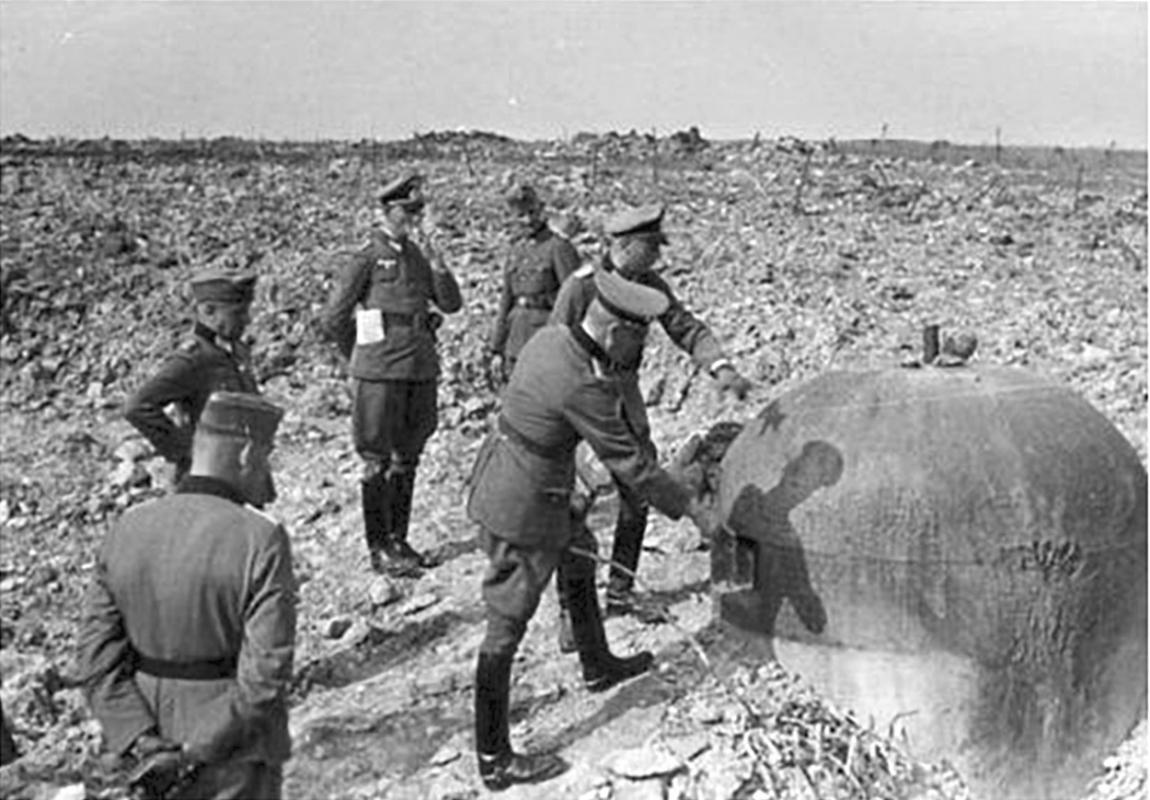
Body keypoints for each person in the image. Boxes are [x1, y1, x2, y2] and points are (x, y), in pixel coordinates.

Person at [466, 269, 716, 791]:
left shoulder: (553, 339)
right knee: (506, 623)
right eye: (636, 337)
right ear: (614, 332)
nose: (637, 349)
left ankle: (597, 663)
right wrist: (692, 507)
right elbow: (632, 466)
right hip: (522, 502)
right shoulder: (582, 380)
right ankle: (493, 757)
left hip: (533, 479)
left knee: (579, 552)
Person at [77, 391, 295, 800]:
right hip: (232, 760)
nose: (268, 472)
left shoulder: (128, 526)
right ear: (246, 454)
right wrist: (195, 751)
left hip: (137, 754)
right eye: (266, 456)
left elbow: (94, 660)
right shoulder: (261, 539)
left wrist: (140, 740)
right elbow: (264, 677)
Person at [549, 203, 753, 619]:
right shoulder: (582, 286)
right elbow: (553, 351)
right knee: (575, 507)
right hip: (584, 403)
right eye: (650, 247)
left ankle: (620, 593)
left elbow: (685, 327)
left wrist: (720, 366)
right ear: (624, 247)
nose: (658, 256)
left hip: (626, 398)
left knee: (636, 498)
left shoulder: (651, 284)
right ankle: (572, 609)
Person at [322, 173, 463, 577]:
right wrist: (361, 358)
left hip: (418, 366)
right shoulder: (367, 257)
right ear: (386, 211)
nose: (414, 218)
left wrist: (439, 264)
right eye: (406, 211)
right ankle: (378, 547)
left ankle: (399, 540)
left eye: (418, 211)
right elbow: (334, 317)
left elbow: (451, 304)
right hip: (379, 370)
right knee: (376, 459)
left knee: (408, 456)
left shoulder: (419, 255)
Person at [124, 269, 262, 491]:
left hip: (237, 474)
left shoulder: (235, 351)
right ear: (208, 311)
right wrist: (185, 452)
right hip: (202, 483)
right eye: (237, 313)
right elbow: (137, 407)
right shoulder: (192, 360)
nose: (247, 319)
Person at [487, 183, 580, 382]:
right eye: (521, 215)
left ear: (541, 211)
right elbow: (505, 302)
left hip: (546, 338)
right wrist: (497, 348)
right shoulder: (515, 251)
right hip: (515, 340)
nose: (528, 220)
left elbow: (574, 298)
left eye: (532, 212)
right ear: (513, 218)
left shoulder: (558, 247)